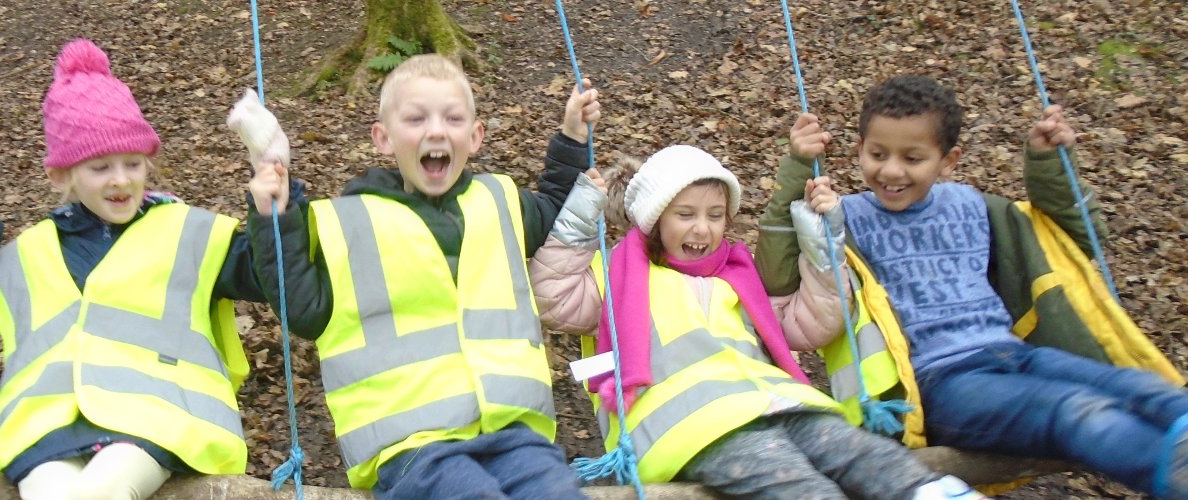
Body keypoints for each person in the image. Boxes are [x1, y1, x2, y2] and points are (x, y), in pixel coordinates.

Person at [756, 74, 1188, 497]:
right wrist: (799, 170)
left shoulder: (972, 205)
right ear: (859, 149)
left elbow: (1068, 241)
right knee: (1076, 411)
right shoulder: (845, 218)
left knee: (1135, 386)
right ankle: (1172, 475)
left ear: (949, 160)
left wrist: (1048, 164)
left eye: (912, 158)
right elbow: (778, 274)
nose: (891, 170)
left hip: (1015, 353)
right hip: (940, 384)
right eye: (877, 153)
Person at [0, 39, 303, 500]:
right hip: (46, 431)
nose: (121, 179)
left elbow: (278, 277)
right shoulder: (31, 251)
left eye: (133, 163)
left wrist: (274, 193)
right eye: (100, 167)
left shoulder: (189, 232)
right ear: (62, 175)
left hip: (160, 422)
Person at [241, 54, 600, 499]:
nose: (435, 130)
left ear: (475, 136)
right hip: (412, 446)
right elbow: (302, 306)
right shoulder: (350, 221)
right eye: (416, 118)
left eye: (452, 117)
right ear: (383, 138)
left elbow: (556, 212)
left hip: (515, 432)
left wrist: (571, 137)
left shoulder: (501, 201)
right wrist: (276, 214)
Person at [529, 146, 980, 499]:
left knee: (853, 449)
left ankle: (933, 492)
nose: (702, 230)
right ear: (653, 221)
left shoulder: (738, 276)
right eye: (685, 215)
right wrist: (581, 210)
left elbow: (813, 325)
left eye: (714, 215)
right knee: (795, 483)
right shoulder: (621, 279)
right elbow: (554, 297)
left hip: (775, 403)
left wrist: (822, 246)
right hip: (691, 428)